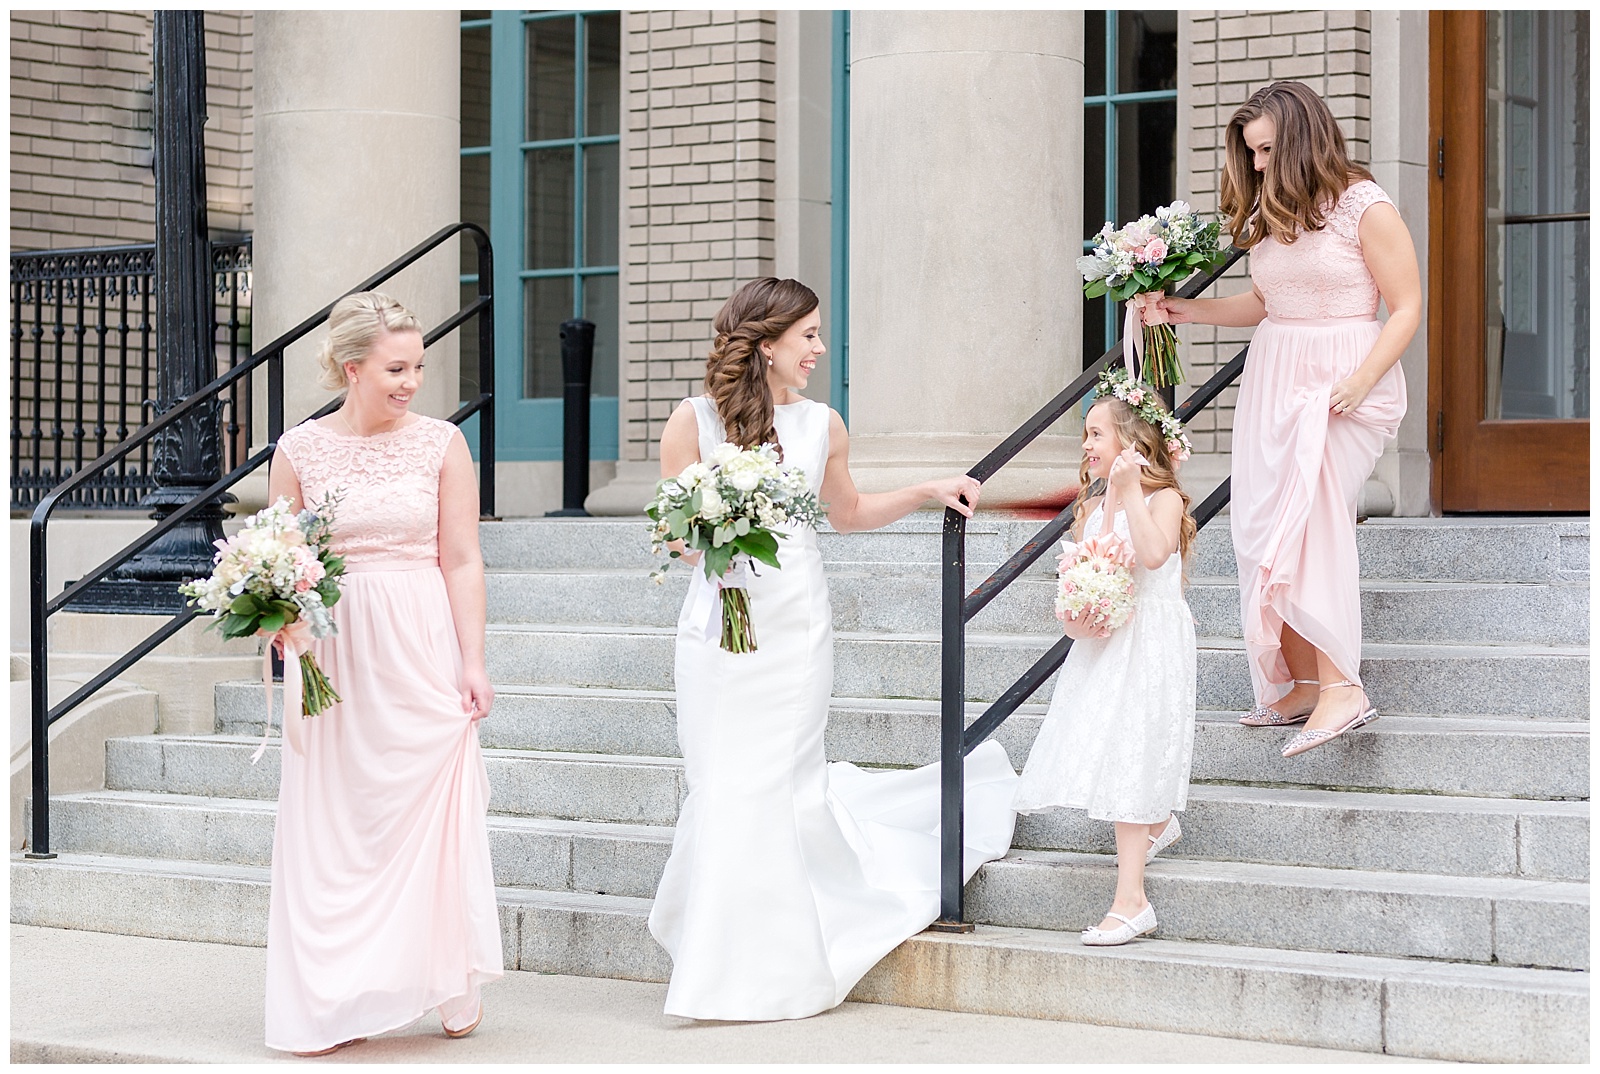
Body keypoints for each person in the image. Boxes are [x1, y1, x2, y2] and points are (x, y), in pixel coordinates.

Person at [647, 277, 1019, 1021]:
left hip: (794, 629)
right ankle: (722, 952)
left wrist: (921, 491)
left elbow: (843, 514)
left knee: (778, 781)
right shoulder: (692, 422)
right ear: (766, 342)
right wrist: (717, 541)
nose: (820, 349)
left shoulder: (824, 424)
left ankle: (767, 968)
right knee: (722, 782)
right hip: (717, 630)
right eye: (809, 335)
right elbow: (670, 533)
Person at [263, 292, 502, 1055]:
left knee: (431, 807)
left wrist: (472, 661)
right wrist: (278, 618)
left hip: (418, 640)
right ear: (351, 367)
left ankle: (448, 974)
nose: (412, 382)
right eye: (397, 368)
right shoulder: (298, 451)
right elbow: (279, 559)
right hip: (334, 647)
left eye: (419, 367)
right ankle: (335, 995)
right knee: (337, 820)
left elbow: (461, 558)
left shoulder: (441, 445)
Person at [1156, 80, 1418, 758]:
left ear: (1303, 137)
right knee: (1264, 528)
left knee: (1313, 520)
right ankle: (1300, 681)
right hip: (1276, 375)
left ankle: (1342, 688)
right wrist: (1189, 312)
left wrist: (1361, 378)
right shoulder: (1277, 211)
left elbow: (1408, 305)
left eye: (1269, 149)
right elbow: (1270, 301)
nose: (1261, 164)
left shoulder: (1366, 205)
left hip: (1345, 380)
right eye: (1252, 154)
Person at [1012, 380, 1198, 945]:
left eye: (1097, 433)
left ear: (1130, 439)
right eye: (1086, 433)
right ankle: (1158, 824)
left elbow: (1152, 553)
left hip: (1151, 638)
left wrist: (1130, 490)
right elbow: (1084, 577)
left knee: (1131, 754)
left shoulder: (1163, 498)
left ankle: (1132, 902)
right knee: (1113, 748)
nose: (1086, 443)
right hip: (1106, 641)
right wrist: (1078, 616)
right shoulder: (1091, 504)